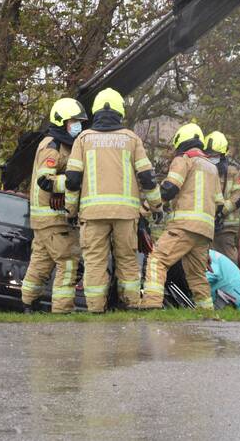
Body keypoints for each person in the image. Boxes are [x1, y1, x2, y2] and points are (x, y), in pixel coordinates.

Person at [64, 88, 162, 312]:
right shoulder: (131, 139)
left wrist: (70, 211)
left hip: (92, 215)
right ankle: (132, 306)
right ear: (120, 111)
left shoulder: (83, 139)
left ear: (96, 111)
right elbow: (147, 177)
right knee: (127, 260)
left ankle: (96, 310)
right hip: (126, 215)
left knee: (95, 263)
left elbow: (72, 180)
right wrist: (156, 206)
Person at [141, 122, 224, 310]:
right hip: (204, 231)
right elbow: (219, 205)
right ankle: (207, 314)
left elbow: (169, 188)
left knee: (157, 260)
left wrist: (146, 208)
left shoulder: (184, 159)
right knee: (197, 275)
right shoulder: (212, 167)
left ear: (181, 141)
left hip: (184, 226)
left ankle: (151, 305)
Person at [21, 97, 87, 313]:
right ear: (61, 121)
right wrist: (71, 181)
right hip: (53, 218)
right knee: (68, 262)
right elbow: (45, 180)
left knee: (40, 264)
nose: (77, 125)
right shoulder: (52, 146)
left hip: (45, 220)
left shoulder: (62, 144)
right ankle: (62, 311)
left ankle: (28, 305)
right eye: (73, 121)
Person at [204, 131, 240, 263]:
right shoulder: (203, 167)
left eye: (215, 154)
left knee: (227, 260)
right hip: (205, 223)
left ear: (223, 153)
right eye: (209, 153)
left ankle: (233, 283)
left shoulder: (235, 169)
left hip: (226, 225)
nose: (211, 157)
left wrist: (221, 211)